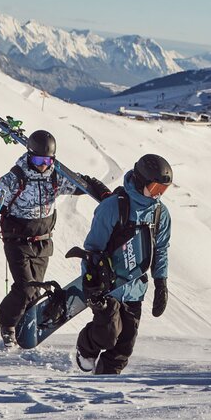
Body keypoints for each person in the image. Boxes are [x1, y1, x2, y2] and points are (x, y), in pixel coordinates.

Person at [0, 129, 112, 346]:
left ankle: (24, 327)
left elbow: (84, 183)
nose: (43, 164)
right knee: (25, 287)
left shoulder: (56, 177)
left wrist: (106, 196)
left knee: (35, 290)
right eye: (38, 159)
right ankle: (7, 323)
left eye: (48, 159)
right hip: (17, 240)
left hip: (43, 241)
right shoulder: (14, 178)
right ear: (29, 155)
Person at [74, 154, 173, 375]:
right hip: (108, 286)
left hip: (135, 288)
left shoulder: (160, 214)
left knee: (124, 347)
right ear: (140, 181)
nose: (158, 195)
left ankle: (105, 385)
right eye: (155, 188)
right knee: (108, 333)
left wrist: (161, 284)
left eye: (163, 191)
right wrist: (91, 282)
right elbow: (92, 248)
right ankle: (85, 348)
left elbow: (160, 250)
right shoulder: (113, 207)